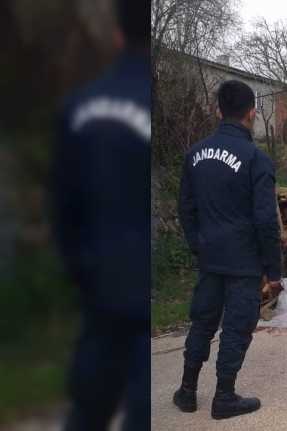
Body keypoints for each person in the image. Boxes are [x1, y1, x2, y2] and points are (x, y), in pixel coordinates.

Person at [50, 1, 151, 429]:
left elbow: (61, 204)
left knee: (89, 403)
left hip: (100, 279)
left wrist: (81, 270)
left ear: (116, 35)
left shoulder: (81, 104)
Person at [173, 80, 282, 420]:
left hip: (210, 258)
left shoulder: (195, 154)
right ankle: (224, 397)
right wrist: (274, 269)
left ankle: (187, 392)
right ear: (251, 113)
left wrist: (197, 246)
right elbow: (266, 220)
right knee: (236, 327)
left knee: (203, 323)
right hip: (244, 262)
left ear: (218, 111)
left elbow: (186, 210)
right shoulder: (256, 159)